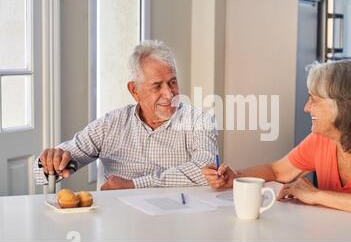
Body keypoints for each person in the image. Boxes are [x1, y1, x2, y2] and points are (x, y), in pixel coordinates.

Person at [203, 60, 351, 225]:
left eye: (314, 100)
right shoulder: (321, 140)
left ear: (345, 106)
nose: (306, 107)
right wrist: (236, 177)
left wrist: (317, 196)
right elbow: (277, 171)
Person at [35, 40, 217, 190]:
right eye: (157, 86)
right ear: (134, 90)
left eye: (173, 82)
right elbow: (53, 164)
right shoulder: (111, 124)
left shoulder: (199, 121)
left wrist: (134, 185)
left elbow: (206, 170)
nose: (169, 94)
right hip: (117, 221)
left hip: (178, 220)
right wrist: (50, 162)